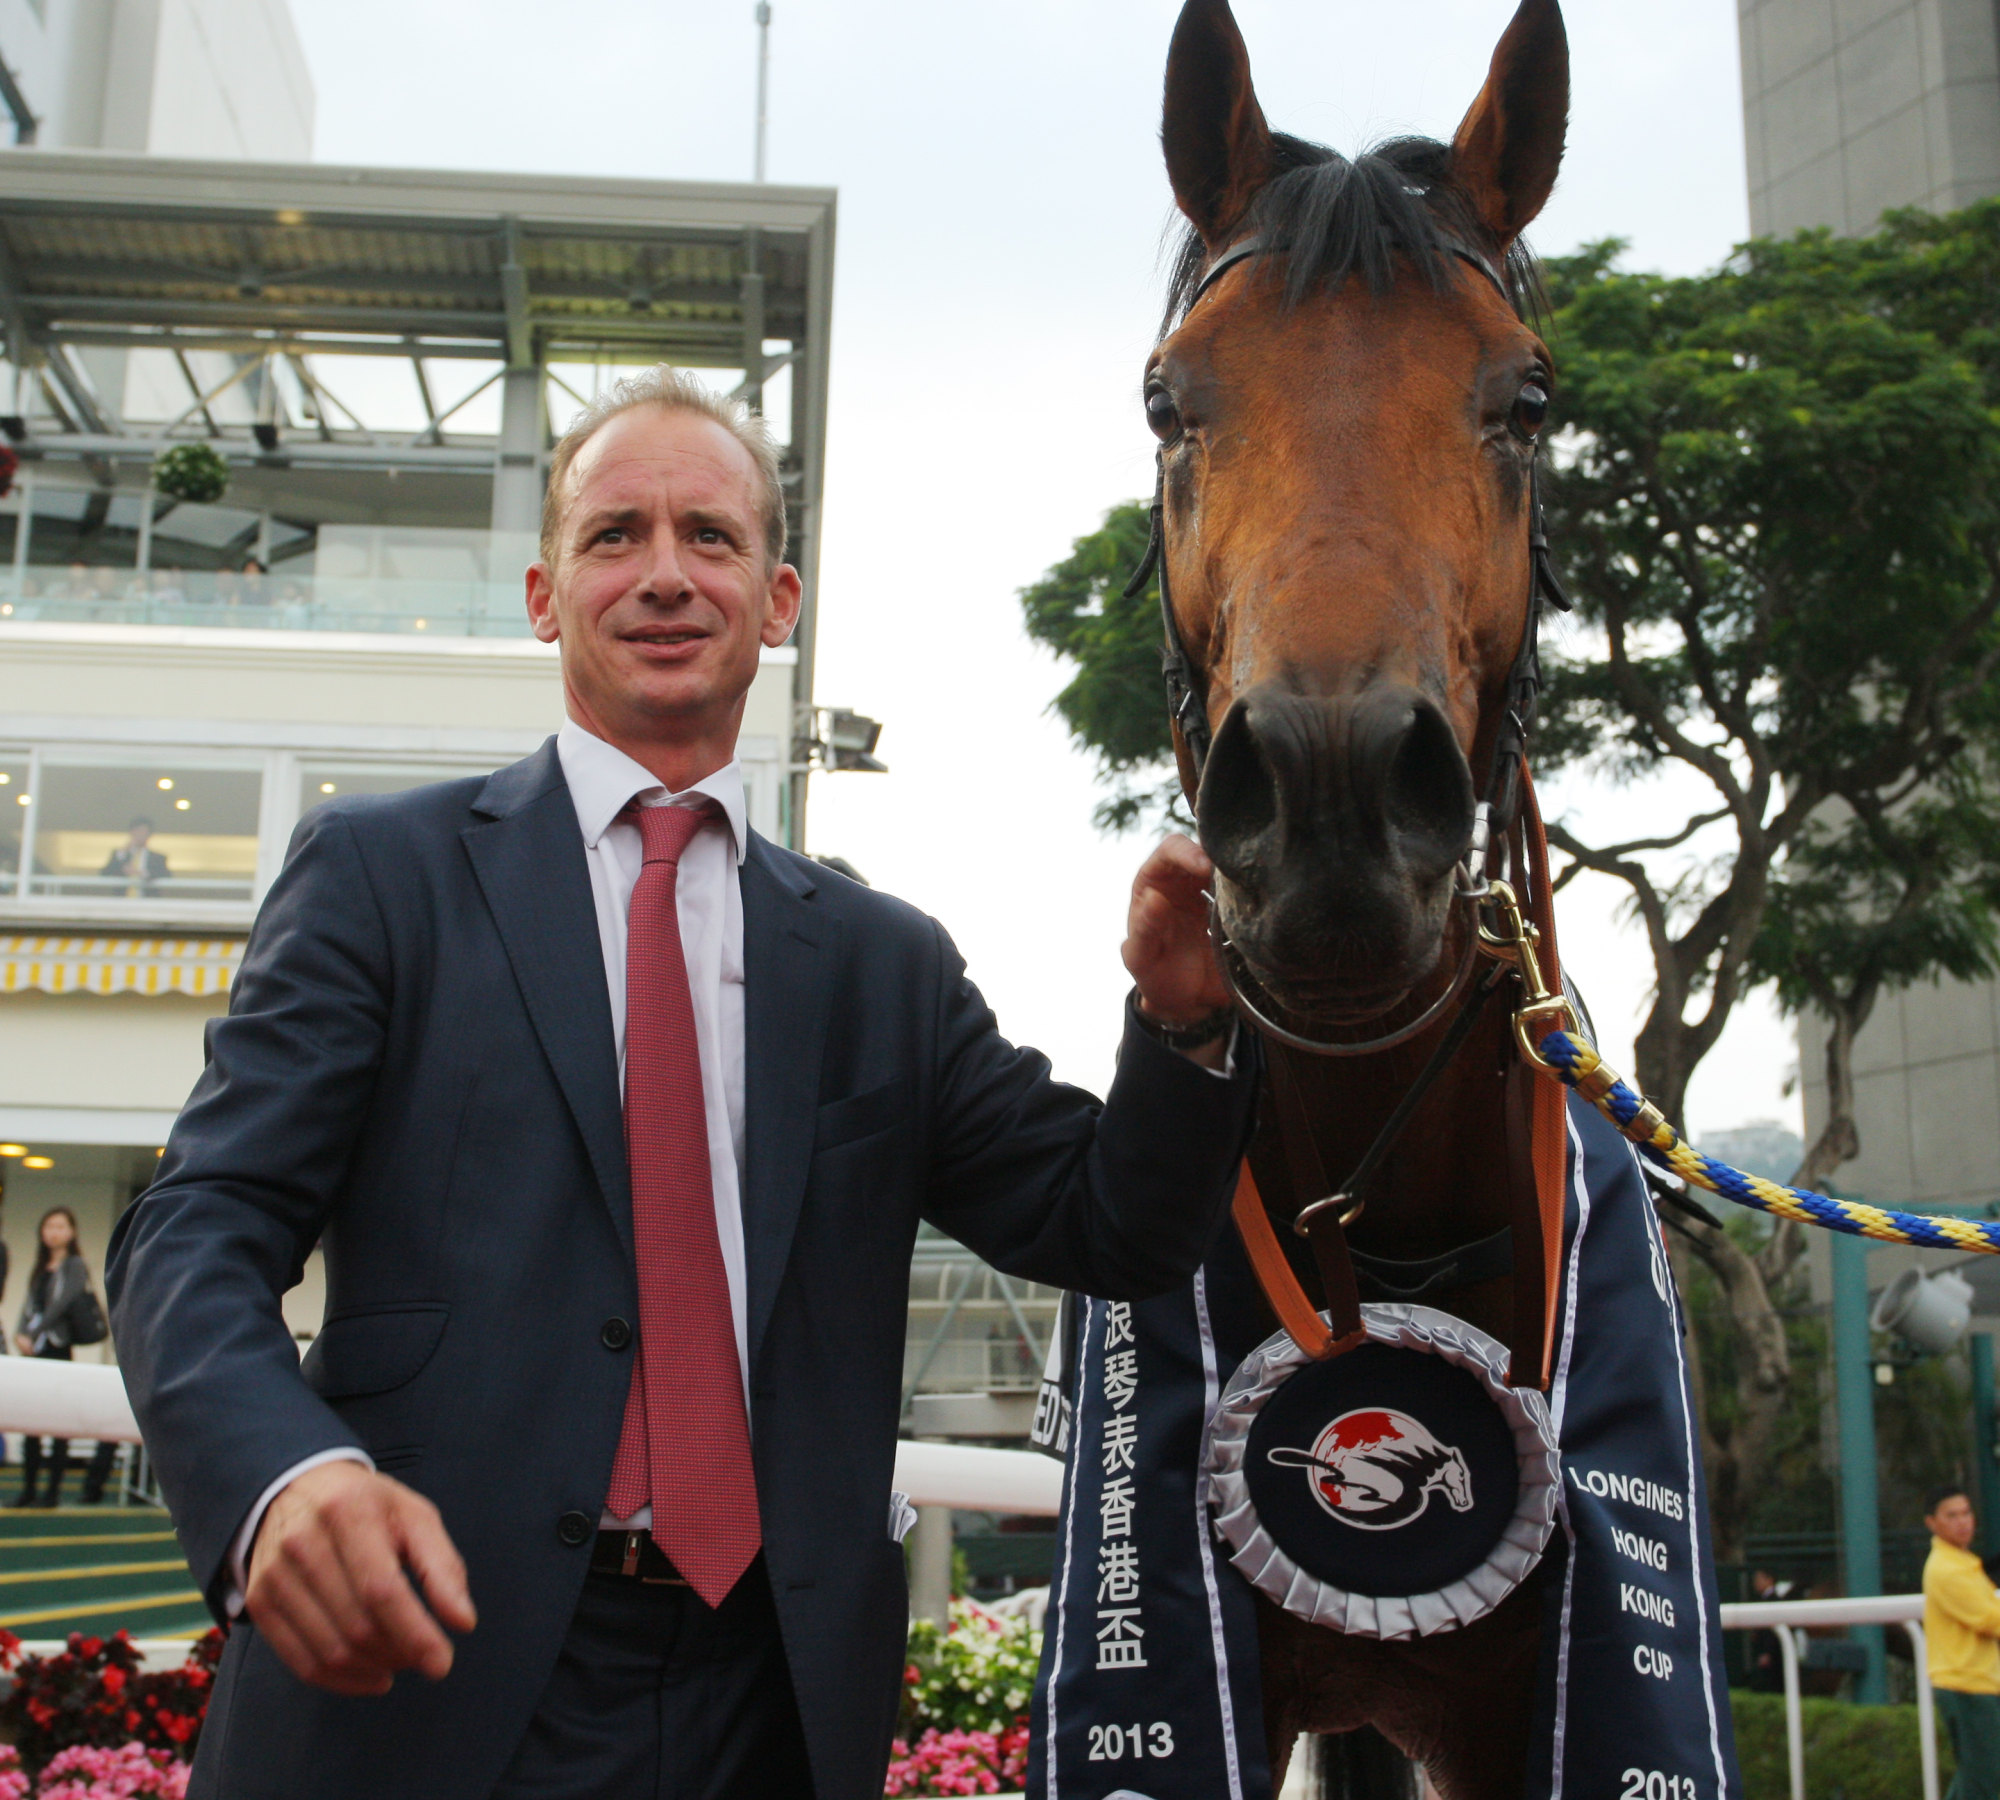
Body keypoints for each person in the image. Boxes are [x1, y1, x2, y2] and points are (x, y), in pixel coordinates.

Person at [107, 364, 1260, 1800]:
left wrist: (1185, 1022)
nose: (665, 575)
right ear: (545, 595)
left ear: (775, 602)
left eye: (710, 538)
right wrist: (284, 1474)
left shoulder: (878, 961)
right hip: (426, 1672)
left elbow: (1112, 1226)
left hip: (766, 1699)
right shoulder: (377, 878)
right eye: (616, 536)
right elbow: (197, 1227)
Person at [13, 1207, 117, 1508]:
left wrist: (35, 1332)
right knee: (29, 1421)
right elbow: (29, 1305)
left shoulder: (74, 1265)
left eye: (60, 1227)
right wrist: (22, 1334)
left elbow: (63, 1303)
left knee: (58, 1422)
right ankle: (29, 1488)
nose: (53, 1232)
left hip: (57, 1347)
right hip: (33, 1350)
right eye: (49, 1226)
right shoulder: (39, 1266)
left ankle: (51, 1492)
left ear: (71, 1232)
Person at [1924, 1485, 2000, 1800]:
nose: (1963, 1522)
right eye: (1951, 1515)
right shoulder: (1946, 1569)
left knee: (1976, 1777)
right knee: (1984, 1783)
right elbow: (1990, 1619)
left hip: (1975, 1683)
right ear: (1932, 1523)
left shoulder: (1961, 1562)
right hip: (1966, 1686)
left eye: (1966, 1513)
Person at [99, 819, 167, 895]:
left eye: (144, 832)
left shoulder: (158, 858)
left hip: (147, 902)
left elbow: (165, 876)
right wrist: (122, 854)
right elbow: (104, 874)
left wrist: (142, 873)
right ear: (131, 832)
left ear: (149, 835)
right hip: (122, 901)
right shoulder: (120, 854)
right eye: (137, 831)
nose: (140, 835)